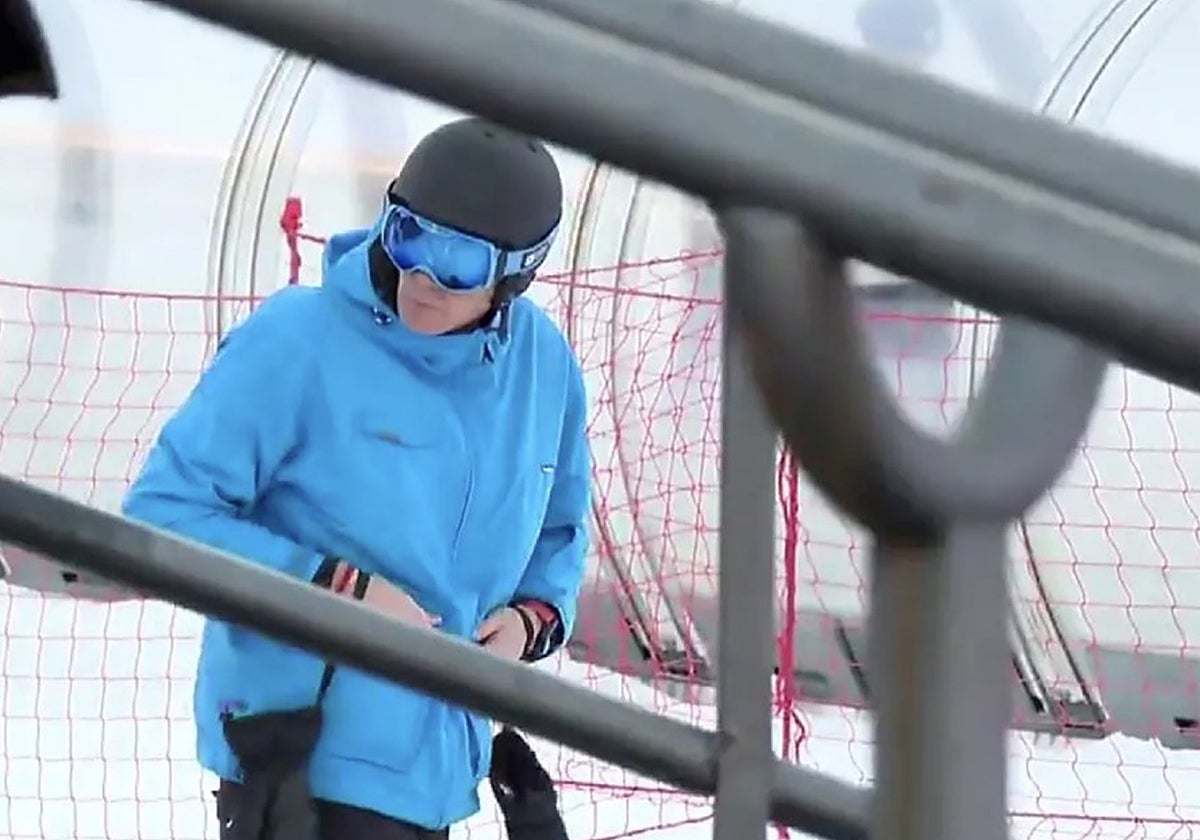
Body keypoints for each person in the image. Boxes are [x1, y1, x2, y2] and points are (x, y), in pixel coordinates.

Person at [122, 117, 590, 840]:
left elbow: (559, 529)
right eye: (407, 236)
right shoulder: (297, 343)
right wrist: (337, 589)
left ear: (515, 273)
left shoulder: (544, 369)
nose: (422, 278)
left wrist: (534, 620)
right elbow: (162, 515)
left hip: (437, 764)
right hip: (300, 765)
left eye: (458, 262)